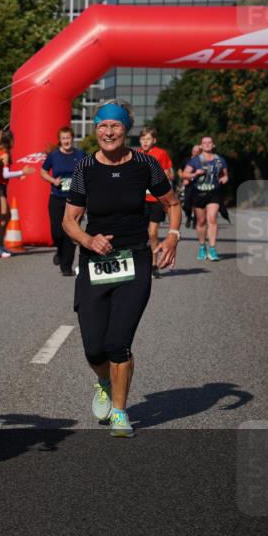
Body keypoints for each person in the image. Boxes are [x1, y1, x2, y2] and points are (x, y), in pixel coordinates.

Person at [63, 100, 181, 438]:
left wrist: (172, 237)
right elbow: (69, 220)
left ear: (125, 129)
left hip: (136, 259)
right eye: (102, 126)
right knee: (93, 347)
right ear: (96, 130)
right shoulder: (85, 168)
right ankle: (103, 381)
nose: (108, 132)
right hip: (94, 261)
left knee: (118, 341)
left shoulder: (146, 164)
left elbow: (172, 204)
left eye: (114, 126)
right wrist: (88, 240)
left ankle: (119, 411)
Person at [40, 126, 85, 276]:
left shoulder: (80, 155)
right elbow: (43, 171)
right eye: (63, 138)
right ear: (60, 140)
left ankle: (66, 266)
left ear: (72, 138)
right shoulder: (53, 156)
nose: (66, 141)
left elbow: (87, 172)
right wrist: (53, 180)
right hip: (57, 197)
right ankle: (60, 252)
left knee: (71, 233)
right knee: (57, 232)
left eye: (68, 138)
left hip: (75, 199)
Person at [0, 130, 35, 258]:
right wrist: (21, 172)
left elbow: (0, 170)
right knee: (2, 217)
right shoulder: (4, 154)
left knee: (6, 216)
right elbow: (5, 174)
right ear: (10, 141)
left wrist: (18, 175)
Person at [182, 135, 228, 262]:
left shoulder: (220, 160)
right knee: (201, 222)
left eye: (209, 142)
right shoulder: (195, 160)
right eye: (204, 143)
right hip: (199, 193)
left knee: (212, 218)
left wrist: (224, 178)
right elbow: (184, 174)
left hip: (214, 192)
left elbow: (225, 175)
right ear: (201, 146)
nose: (207, 144)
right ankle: (202, 247)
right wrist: (194, 174)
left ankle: (212, 249)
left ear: (213, 145)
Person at [137, 127, 174, 278]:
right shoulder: (136, 154)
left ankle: (154, 265)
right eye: (142, 139)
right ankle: (140, 264)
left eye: (148, 139)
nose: (145, 142)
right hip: (140, 200)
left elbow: (167, 174)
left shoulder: (161, 153)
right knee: (140, 234)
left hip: (156, 200)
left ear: (154, 140)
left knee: (153, 233)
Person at [180, 144, 200, 228]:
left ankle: (195, 220)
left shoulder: (201, 161)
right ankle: (189, 216)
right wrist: (183, 178)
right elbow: (180, 170)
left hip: (199, 185)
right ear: (192, 151)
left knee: (197, 204)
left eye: (197, 151)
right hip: (188, 184)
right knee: (187, 204)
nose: (195, 153)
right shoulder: (187, 160)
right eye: (194, 151)